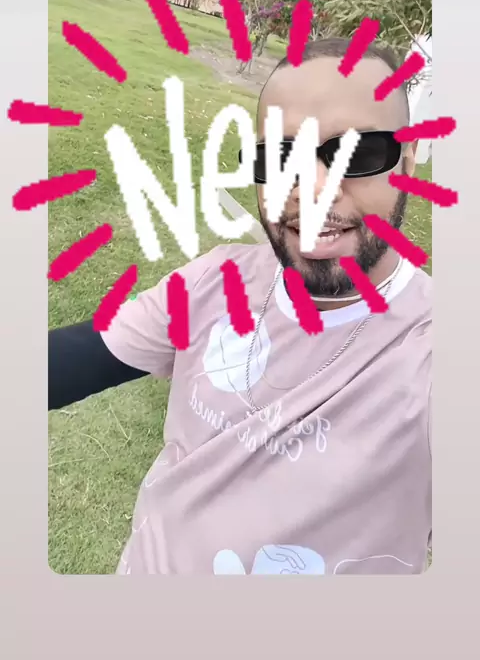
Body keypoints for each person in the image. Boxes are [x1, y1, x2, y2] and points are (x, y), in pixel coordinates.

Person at [49, 38, 432, 576]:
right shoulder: (216, 280)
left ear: (408, 162)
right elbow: (71, 359)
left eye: (358, 153)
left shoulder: (434, 349)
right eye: (280, 157)